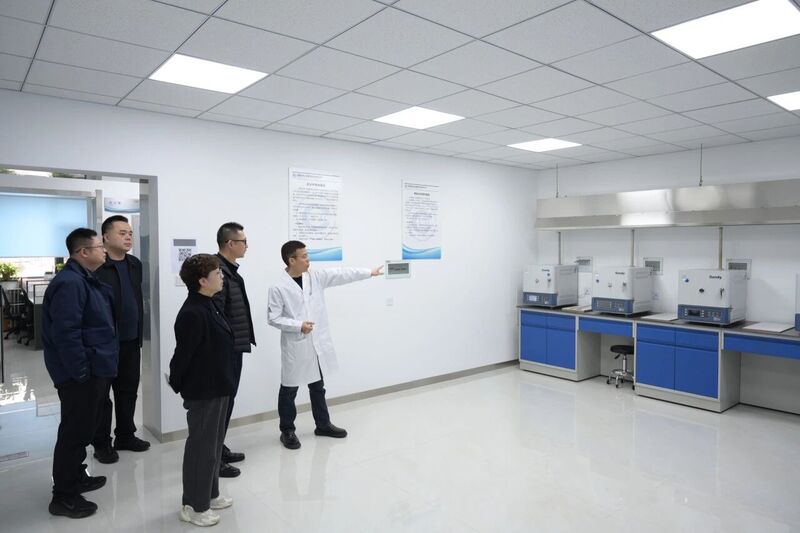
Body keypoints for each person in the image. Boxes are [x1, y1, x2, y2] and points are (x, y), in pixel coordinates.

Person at [267, 240, 383, 449]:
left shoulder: (315, 277)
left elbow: (341, 274)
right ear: (291, 260)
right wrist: (298, 325)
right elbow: (273, 318)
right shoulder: (278, 287)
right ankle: (287, 430)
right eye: (304, 256)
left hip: (315, 344)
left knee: (318, 387)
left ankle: (323, 425)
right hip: (296, 345)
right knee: (289, 391)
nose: (308, 260)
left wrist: (369, 272)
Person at [42, 228, 118, 518]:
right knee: (74, 434)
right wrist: (81, 372)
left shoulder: (85, 279)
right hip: (80, 374)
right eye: (100, 246)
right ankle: (63, 497)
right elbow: (67, 334)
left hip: (93, 369)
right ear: (83, 252)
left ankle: (77, 477)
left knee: (85, 428)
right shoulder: (70, 283)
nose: (104, 251)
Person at [168, 254, 235, 527]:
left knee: (214, 446)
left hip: (219, 385)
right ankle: (194, 506)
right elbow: (183, 355)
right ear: (202, 281)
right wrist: (177, 383)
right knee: (201, 448)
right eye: (217, 273)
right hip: (204, 390)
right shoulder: (192, 313)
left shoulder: (210, 304)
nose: (221, 277)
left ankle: (210, 494)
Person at [92, 215, 149, 464]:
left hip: (131, 340)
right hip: (104, 344)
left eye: (130, 233)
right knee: (101, 397)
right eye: (122, 233)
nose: (128, 237)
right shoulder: (97, 266)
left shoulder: (135, 264)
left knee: (128, 391)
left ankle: (125, 435)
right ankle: (102, 443)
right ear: (105, 237)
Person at [212, 222, 255, 478]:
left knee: (227, 402)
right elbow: (216, 316)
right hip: (224, 351)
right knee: (220, 405)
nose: (246, 246)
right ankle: (213, 459)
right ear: (230, 243)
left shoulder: (230, 270)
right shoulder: (217, 271)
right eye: (243, 242)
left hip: (233, 347)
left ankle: (218, 448)